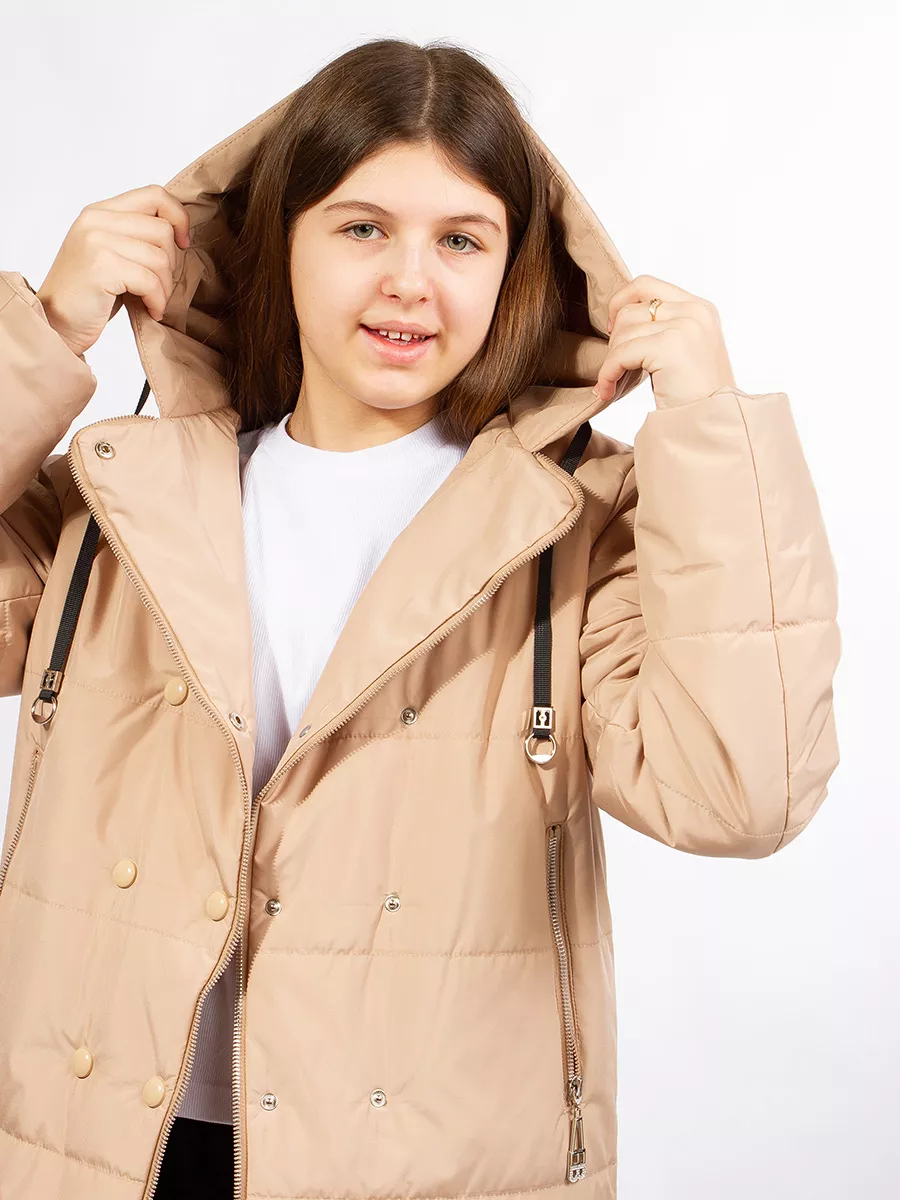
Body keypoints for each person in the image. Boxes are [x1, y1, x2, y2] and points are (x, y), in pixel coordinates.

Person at [0, 36, 840, 1200]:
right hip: (93, 1155)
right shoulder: (117, 499)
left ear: (513, 268)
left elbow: (739, 793)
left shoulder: (576, 522)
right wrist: (40, 332)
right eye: (362, 228)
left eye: (460, 239)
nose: (410, 280)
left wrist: (708, 424)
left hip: (428, 1169)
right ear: (277, 240)